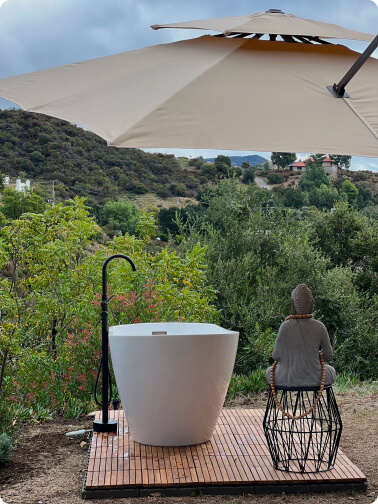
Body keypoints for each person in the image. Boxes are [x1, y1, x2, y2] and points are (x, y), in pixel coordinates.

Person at [266, 284, 336, 388]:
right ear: (312, 304)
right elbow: (328, 354)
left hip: (287, 377)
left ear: (292, 304)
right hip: (315, 377)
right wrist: (312, 358)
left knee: (268, 371)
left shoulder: (285, 326)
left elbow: (276, 356)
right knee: (331, 371)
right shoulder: (319, 326)